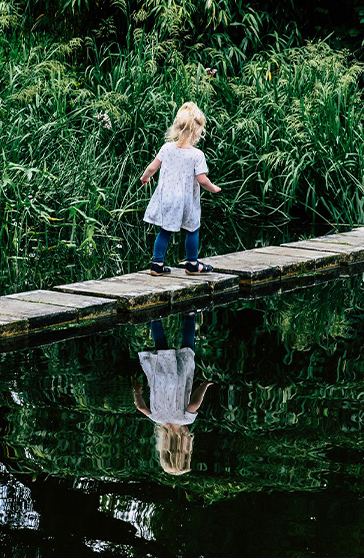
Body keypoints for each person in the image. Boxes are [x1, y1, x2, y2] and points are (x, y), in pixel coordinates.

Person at [140, 102, 221, 275]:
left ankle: (157, 264)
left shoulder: (166, 148)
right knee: (193, 228)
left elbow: (152, 168)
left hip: (167, 197)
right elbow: (202, 179)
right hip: (186, 200)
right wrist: (213, 188)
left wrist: (145, 178)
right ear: (195, 132)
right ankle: (192, 264)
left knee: (165, 231)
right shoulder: (197, 155)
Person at [133, 314, 212, 475]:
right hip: (162, 377)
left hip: (181, 378)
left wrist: (204, 386)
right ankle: (155, 318)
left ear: (186, 450)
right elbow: (140, 407)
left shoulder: (187, 419)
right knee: (160, 344)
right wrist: (137, 391)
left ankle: (190, 315)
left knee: (187, 346)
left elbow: (193, 404)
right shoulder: (157, 418)